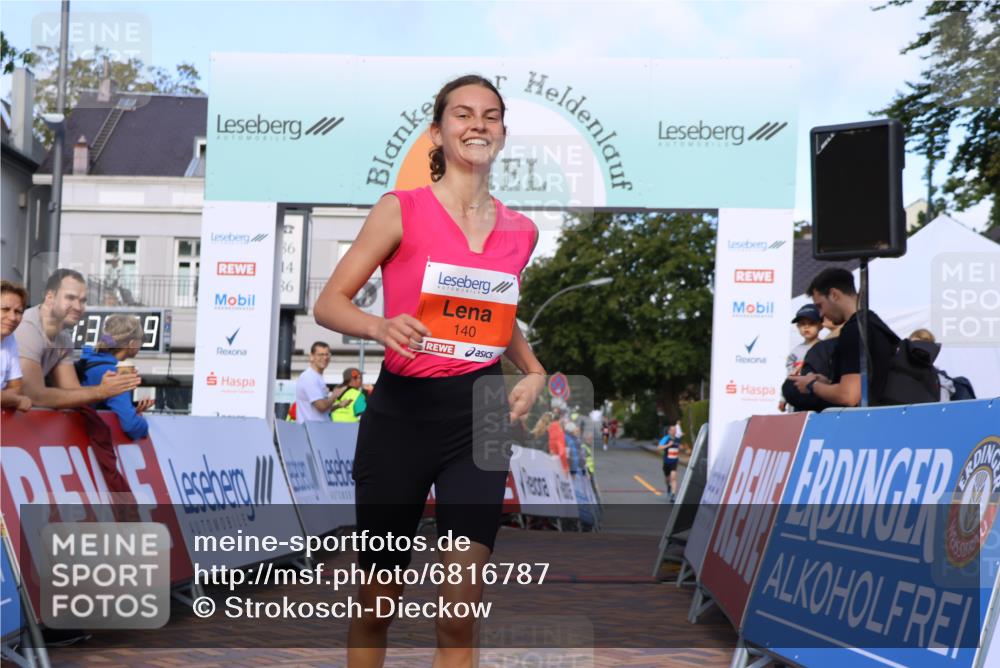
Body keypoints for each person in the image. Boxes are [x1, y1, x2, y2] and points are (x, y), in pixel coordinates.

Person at [312, 74, 544, 667]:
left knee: (458, 617)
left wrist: (533, 368)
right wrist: (378, 326)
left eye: (490, 116)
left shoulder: (521, 231)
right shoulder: (401, 209)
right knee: (375, 604)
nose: (478, 125)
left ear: (502, 132)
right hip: (401, 415)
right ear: (436, 133)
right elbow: (329, 303)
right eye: (462, 115)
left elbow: (493, 317)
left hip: (480, 418)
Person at [15, 269, 140, 409]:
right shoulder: (26, 328)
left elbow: (71, 392)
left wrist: (114, 391)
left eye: (82, 301)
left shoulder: (64, 338)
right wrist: (101, 391)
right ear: (50, 297)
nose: (78, 307)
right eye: (70, 298)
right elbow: (34, 395)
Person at [788, 268, 899, 407]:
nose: (821, 315)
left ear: (834, 295)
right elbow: (869, 384)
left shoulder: (854, 330)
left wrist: (811, 385)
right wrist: (827, 384)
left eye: (820, 306)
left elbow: (848, 396)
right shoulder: (873, 323)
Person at [78, 314, 154, 439]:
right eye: (141, 339)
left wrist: (132, 410)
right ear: (132, 343)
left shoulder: (87, 361)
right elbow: (131, 426)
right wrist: (141, 423)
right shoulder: (115, 374)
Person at [779, 304, 823, 411]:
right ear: (797, 327)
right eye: (802, 324)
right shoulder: (795, 352)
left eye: (811, 323)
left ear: (821, 325)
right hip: (796, 398)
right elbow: (789, 376)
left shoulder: (825, 347)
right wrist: (783, 399)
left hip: (817, 397)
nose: (806, 327)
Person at [1, 280, 31, 411]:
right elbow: (17, 395)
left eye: (18, 311)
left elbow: (16, 387)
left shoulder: (9, 339)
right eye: (5, 309)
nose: (12, 318)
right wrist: (17, 400)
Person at [294, 342, 341, 423]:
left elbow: (322, 411)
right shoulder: (309, 377)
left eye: (327, 354)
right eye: (320, 355)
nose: (325, 358)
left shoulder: (317, 377)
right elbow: (321, 406)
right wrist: (334, 395)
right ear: (311, 357)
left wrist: (339, 406)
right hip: (311, 431)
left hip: (317, 430)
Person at [657, 424, 680, 502]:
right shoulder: (666, 438)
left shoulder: (678, 439)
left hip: (674, 462)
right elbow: (659, 448)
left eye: (675, 430)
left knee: (673, 477)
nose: (674, 431)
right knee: (667, 479)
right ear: (669, 431)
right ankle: (668, 486)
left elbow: (679, 447)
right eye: (673, 430)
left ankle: (673, 495)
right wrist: (668, 445)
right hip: (667, 462)